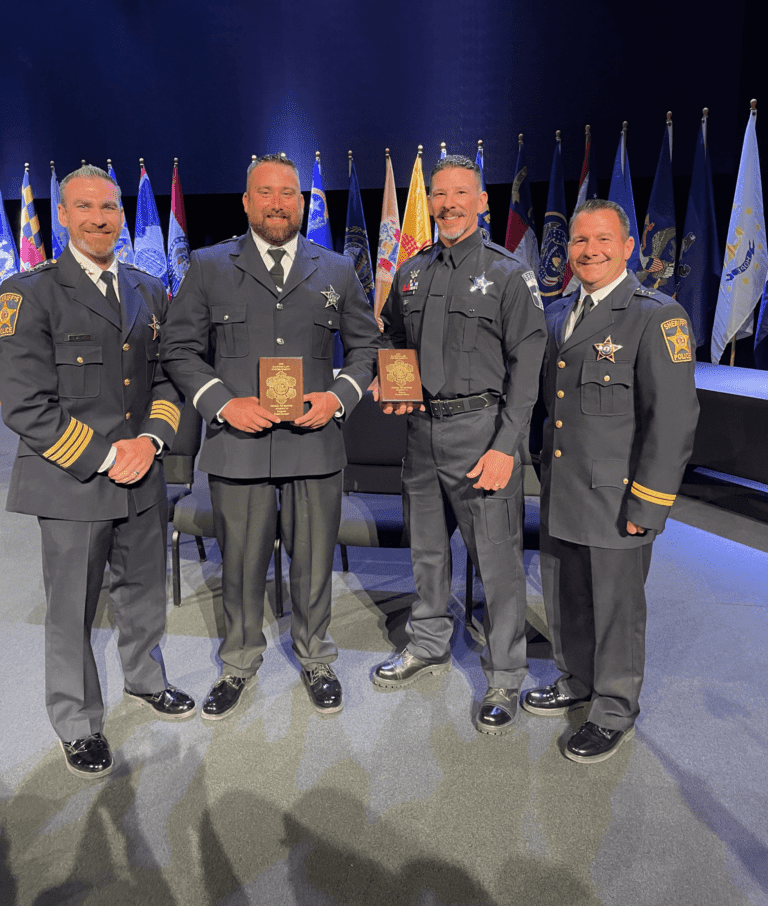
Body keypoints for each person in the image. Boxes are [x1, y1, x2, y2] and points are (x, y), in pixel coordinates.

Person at [160, 154, 381, 719]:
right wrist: (222, 403)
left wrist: (338, 398)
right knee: (240, 564)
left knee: (312, 561)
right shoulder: (209, 266)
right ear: (246, 201)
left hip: (315, 443)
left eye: (288, 193)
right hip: (239, 443)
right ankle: (238, 663)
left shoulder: (335, 268)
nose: (278, 202)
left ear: (302, 203)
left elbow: (367, 351)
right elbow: (179, 349)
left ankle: (316, 658)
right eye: (266, 192)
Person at [0, 165, 195, 780]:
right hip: (74, 480)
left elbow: (167, 380)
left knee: (143, 592)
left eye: (110, 207)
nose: (101, 218)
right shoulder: (26, 294)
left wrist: (153, 439)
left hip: (143, 472)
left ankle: (143, 678)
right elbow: (23, 403)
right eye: (85, 207)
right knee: (71, 609)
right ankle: (76, 721)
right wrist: (110, 454)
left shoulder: (147, 288)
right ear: (62, 215)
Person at [372, 155, 547, 735]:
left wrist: (507, 448)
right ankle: (427, 644)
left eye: (459, 194)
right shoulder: (412, 271)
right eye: (439, 196)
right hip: (422, 432)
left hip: (482, 433)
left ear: (482, 203)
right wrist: (388, 374)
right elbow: (393, 335)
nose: (447, 204)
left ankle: (505, 674)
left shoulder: (507, 274)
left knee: (496, 561)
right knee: (426, 550)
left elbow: (528, 371)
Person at [522, 199, 699, 762]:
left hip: (619, 496)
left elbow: (671, 421)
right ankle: (576, 680)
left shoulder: (656, 314)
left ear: (629, 247)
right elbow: (547, 408)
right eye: (578, 241)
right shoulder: (556, 315)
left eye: (602, 240)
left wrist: (648, 505)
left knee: (617, 608)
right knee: (566, 594)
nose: (589, 251)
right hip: (564, 488)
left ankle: (615, 707)